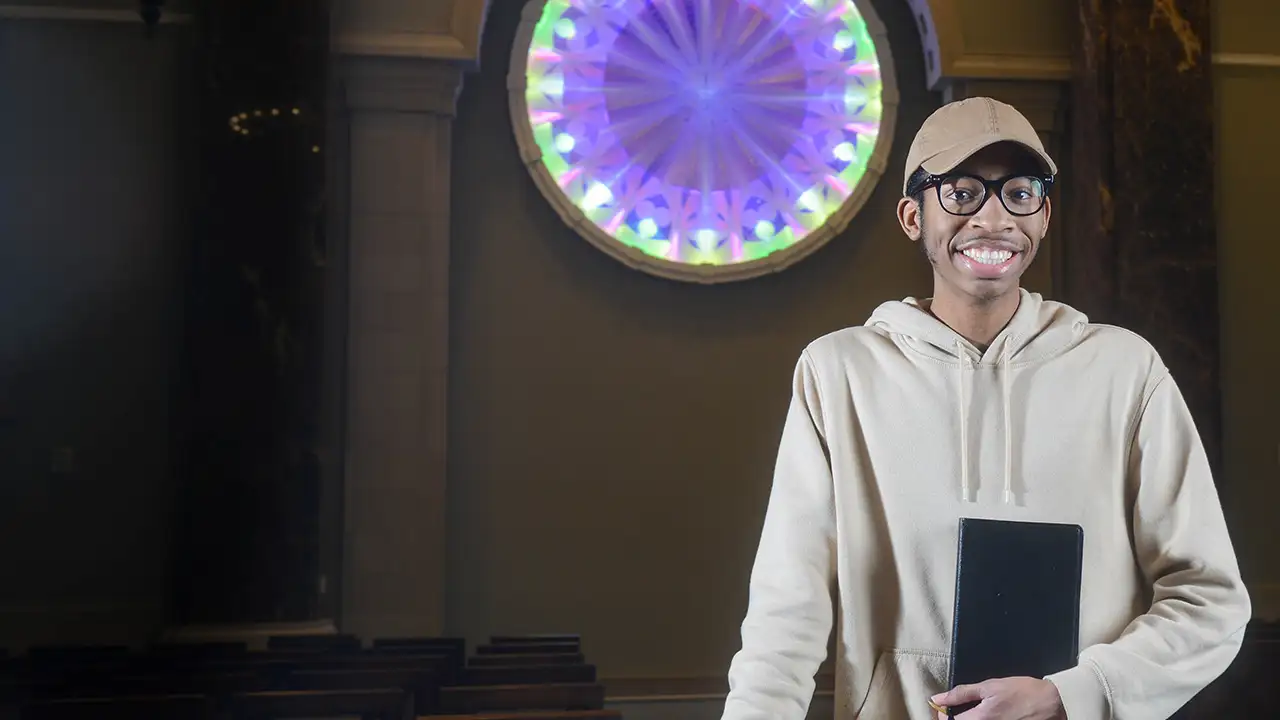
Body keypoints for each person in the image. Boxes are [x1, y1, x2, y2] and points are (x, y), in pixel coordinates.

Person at [719, 97, 1251, 720]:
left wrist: (1068, 695)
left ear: (1045, 215)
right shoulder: (839, 373)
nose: (994, 218)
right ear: (912, 216)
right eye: (963, 192)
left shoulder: (1126, 370)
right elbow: (789, 606)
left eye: (1019, 192)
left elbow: (1209, 598)